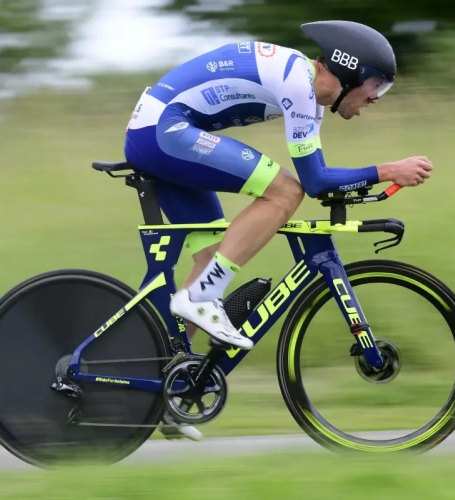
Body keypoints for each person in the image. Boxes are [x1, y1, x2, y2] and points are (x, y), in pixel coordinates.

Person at [123, 20, 433, 440]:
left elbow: (319, 177)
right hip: (164, 132)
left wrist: (364, 183)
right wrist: (387, 170)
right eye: (376, 85)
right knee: (283, 192)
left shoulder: (307, 93)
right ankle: (203, 297)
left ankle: (170, 393)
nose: (375, 98)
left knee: (211, 255)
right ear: (349, 72)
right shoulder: (300, 86)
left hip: (164, 130)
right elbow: (315, 182)